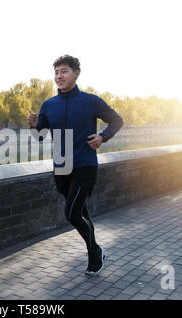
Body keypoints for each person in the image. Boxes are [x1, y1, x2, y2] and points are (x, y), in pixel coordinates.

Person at [28, 55, 123, 276]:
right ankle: (96, 251)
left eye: (64, 71)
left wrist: (103, 137)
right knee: (80, 211)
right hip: (61, 167)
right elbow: (40, 136)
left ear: (76, 73)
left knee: (71, 213)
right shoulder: (48, 105)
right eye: (56, 73)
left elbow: (117, 120)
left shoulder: (91, 101)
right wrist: (33, 125)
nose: (59, 77)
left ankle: (94, 251)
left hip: (84, 165)